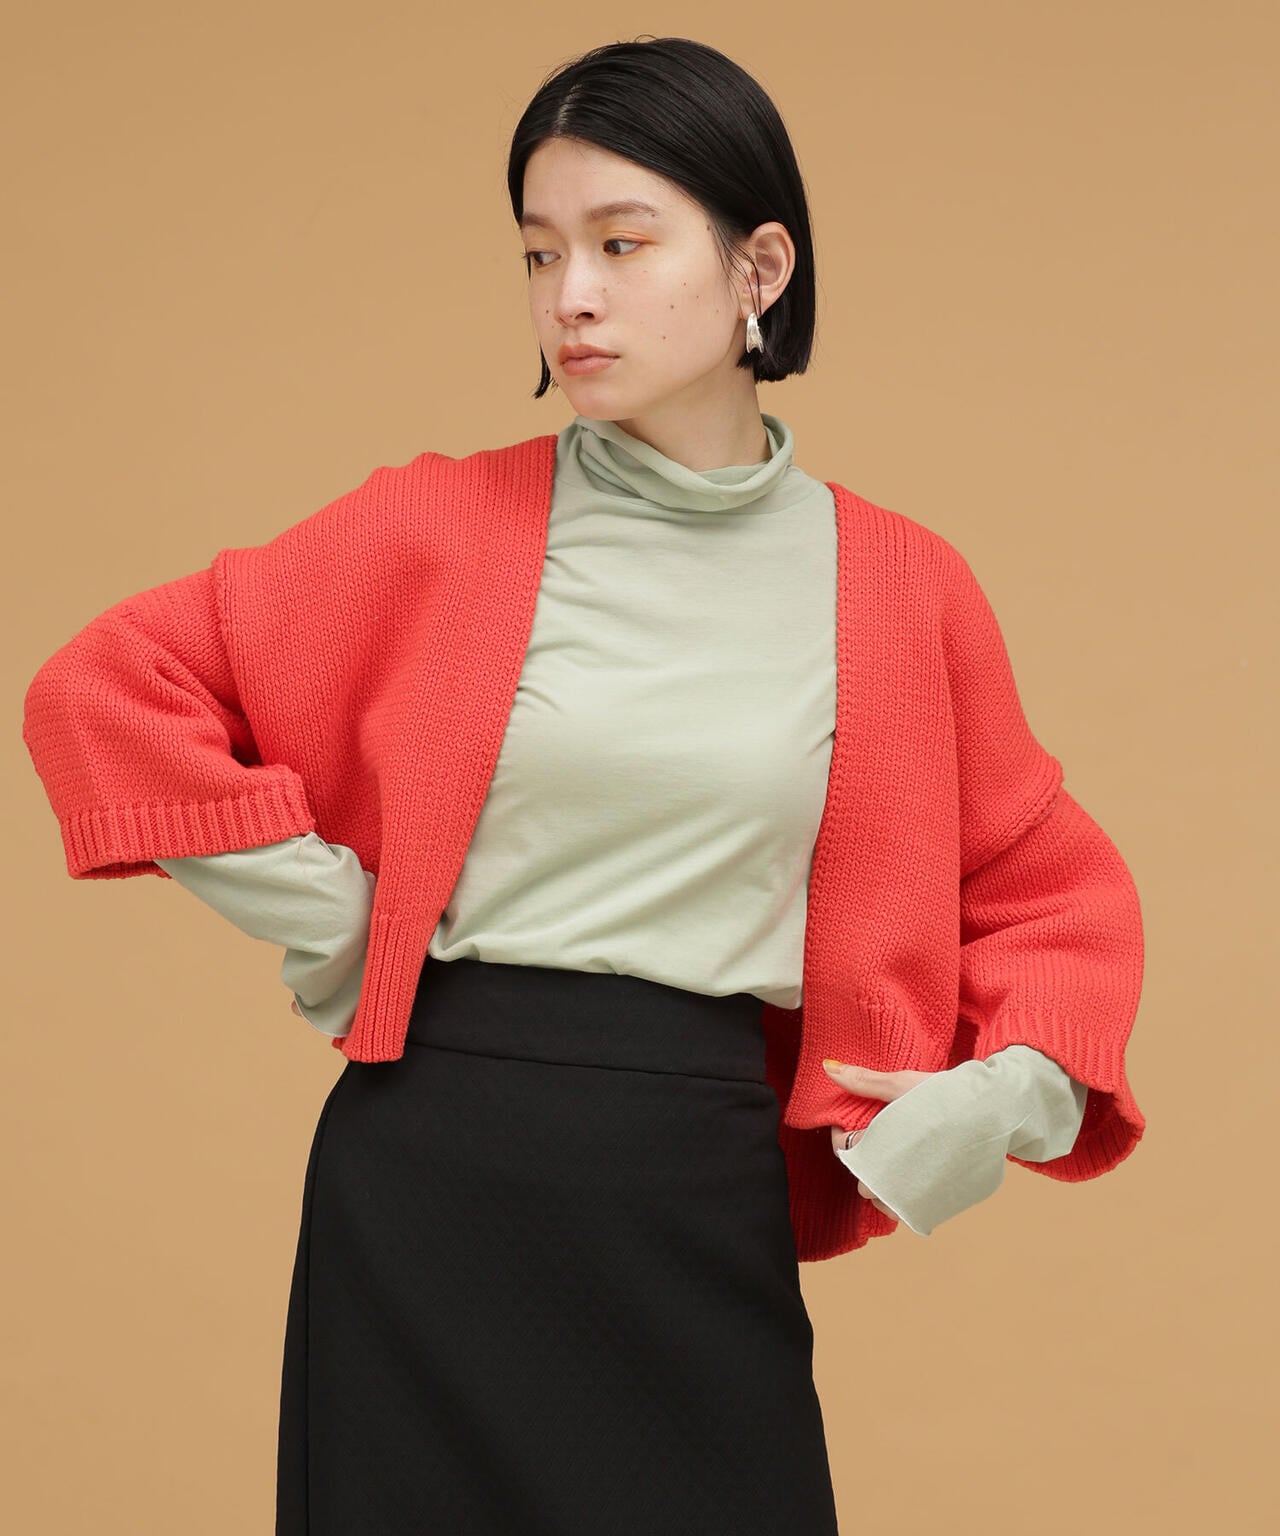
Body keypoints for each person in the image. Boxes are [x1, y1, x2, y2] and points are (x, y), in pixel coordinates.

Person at [20, 35, 1145, 1536]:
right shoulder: (437, 528)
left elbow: (1053, 893)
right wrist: (333, 912)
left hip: (695, 1182)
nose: (572, 298)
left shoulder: (897, 587)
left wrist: (1009, 1094)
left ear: (759, 270)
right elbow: (102, 691)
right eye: (540, 253)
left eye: (622, 243)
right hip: (428, 1175)